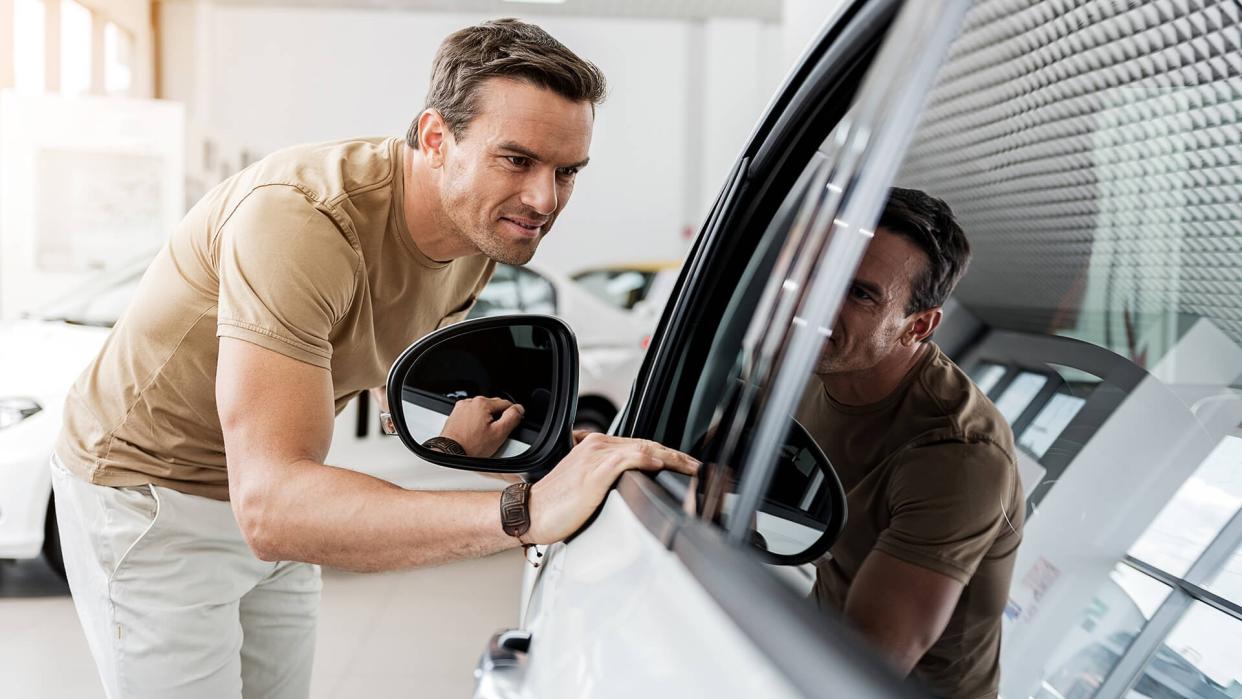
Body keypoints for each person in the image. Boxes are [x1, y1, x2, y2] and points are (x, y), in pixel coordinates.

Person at [50, 18, 697, 699]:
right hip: (151, 494)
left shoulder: (479, 236)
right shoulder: (303, 221)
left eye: (567, 172)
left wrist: (467, 437)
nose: (544, 200)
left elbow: (378, 376)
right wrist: (521, 510)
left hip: (278, 492)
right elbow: (270, 506)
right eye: (517, 160)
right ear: (435, 138)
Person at [797, 187, 1024, 699]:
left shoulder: (958, 453)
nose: (818, 303)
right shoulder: (810, 359)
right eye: (819, 273)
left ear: (916, 327)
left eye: (859, 293)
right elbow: (705, 458)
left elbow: (860, 663)